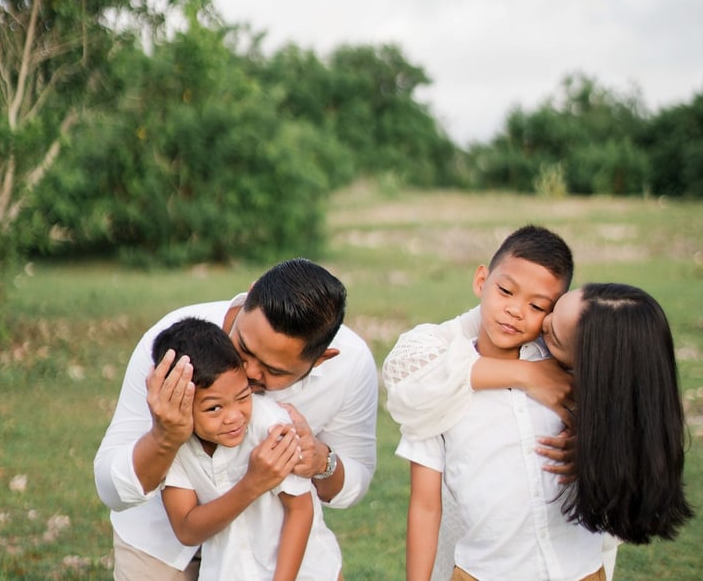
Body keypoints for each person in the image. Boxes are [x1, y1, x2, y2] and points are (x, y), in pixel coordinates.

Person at [385, 255, 694, 577]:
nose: (538, 325)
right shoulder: (446, 379)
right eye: (552, 311)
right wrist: (525, 374)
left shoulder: (595, 407)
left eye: (552, 336)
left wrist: (595, 448)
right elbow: (416, 376)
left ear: (588, 369)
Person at [94, 258, 378, 580]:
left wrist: (321, 461)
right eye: (244, 348)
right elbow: (110, 489)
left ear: (320, 360)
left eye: (275, 371)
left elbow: (354, 483)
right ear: (249, 296)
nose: (250, 373)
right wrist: (165, 438)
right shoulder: (173, 347)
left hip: (275, 552)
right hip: (161, 543)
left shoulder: (351, 367)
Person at [387, 225, 612, 580]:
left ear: (552, 315)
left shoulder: (566, 374)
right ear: (482, 281)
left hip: (579, 569)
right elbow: (426, 506)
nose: (515, 311)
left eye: (537, 305)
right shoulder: (438, 383)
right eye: (506, 291)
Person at [153, 317, 342, 581]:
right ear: (179, 402)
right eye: (214, 408)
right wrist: (252, 483)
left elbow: (300, 509)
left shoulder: (270, 425)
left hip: (306, 573)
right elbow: (187, 529)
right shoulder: (174, 446)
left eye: (243, 397)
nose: (233, 417)